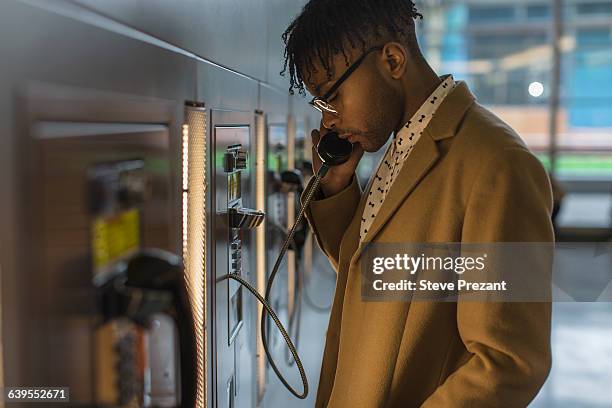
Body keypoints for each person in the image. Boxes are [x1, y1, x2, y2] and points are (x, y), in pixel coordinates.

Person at [282, 0, 555, 407]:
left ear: (392, 60)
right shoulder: (404, 147)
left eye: (333, 96)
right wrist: (338, 189)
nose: (330, 120)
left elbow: (510, 361)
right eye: (321, 105)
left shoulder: (498, 165)